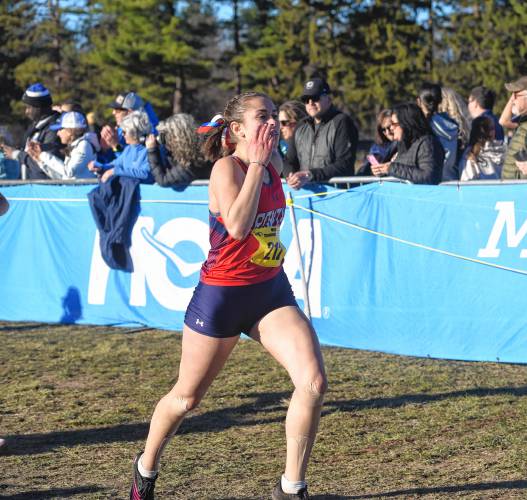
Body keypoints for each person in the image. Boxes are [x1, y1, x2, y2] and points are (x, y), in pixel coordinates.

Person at [129, 91, 327, 500]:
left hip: (269, 291)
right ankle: (145, 468)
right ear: (237, 129)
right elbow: (237, 226)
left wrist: (281, 169)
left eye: (274, 115)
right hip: (221, 296)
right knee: (186, 399)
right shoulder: (227, 168)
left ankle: (292, 488)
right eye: (262, 117)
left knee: (313, 381)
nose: (271, 122)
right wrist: (256, 165)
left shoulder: (272, 163)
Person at [284, 77, 358, 189]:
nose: (310, 103)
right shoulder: (301, 126)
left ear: (328, 98)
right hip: (306, 196)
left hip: (336, 196)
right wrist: (290, 176)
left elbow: (344, 165)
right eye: (306, 100)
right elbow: (289, 160)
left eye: (315, 98)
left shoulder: (341, 122)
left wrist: (310, 175)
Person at [371, 102, 444, 184]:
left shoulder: (428, 144)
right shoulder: (403, 144)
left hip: (419, 196)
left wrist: (391, 168)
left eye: (394, 124)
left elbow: (429, 176)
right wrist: (383, 172)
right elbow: (402, 174)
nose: (391, 128)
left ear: (406, 123)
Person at [0, 83, 62, 179]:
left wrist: (17, 154)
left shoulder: (54, 129)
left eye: (29, 107)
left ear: (38, 107)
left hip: (46, 189)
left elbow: (48, 161)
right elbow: (25, 152)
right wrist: (11, 150)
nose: (26, 112)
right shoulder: (35, 126)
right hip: (31, 186)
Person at [26, 111, 99, 180]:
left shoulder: (84, 145)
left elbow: (69, 172)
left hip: (82, 193)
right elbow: (63, 178)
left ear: (70, 131)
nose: (58, 133)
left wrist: (43, 155)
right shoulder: (75, 146)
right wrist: (40, 161)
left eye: (60, 129)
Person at [89, 111, 153, 183]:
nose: (122, 134)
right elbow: (116, 164)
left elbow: (146, 174)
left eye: (124, 132)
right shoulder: (129, 149)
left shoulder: (150, 150)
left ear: (134, 133)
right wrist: (101, 167)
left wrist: (115, 171)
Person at [145, 113, 210, 186]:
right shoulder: (203, 149)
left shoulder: (190, 165)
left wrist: (152, 151)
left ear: (177, 139)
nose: (167, 141)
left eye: (168, 136)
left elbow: (163, 180)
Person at [417, 83, 459, 181]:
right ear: (440, 101)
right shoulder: (452, 126)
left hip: (427, 184)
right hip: (451, 182)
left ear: (418, 102)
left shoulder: (419, 127)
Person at [458, 115, 505, 181]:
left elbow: (466, 181)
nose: (494, 131)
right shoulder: (470, 156)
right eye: (491, 128)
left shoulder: (468, 155)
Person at [356, 109, 397, 176]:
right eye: (383, 129)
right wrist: (372, 172)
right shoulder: (376, 149)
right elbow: (364, 170)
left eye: (389, 127)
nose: (387, 132)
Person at [500, 76, 527, 179]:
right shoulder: (523, 120)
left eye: (516, 95)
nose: (512, 100)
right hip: (512, 188)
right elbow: (503, 121)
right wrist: (514, 98)